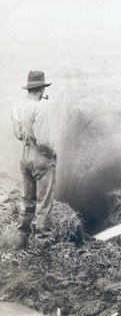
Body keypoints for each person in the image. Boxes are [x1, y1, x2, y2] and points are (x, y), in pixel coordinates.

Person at [11, 71, 57, 249]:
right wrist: (52, 152)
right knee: (44, 202)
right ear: (42, 89)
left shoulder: (17, 106)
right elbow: (44, 140)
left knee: (27, 200)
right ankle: (43, 243)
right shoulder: (39, 108)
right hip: (40, 156)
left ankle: (22, 241)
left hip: (25, 154)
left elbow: (17, 134)